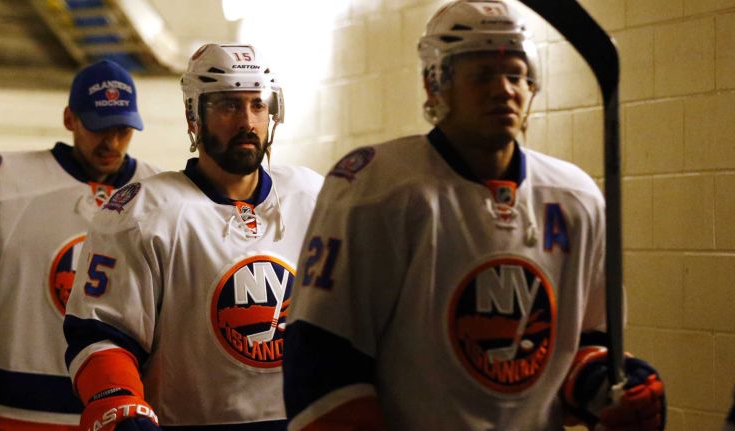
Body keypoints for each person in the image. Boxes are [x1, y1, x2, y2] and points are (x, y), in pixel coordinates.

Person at [283, 1, 666, 430]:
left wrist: (612, 388)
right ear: (435, 84)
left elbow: (583, 344)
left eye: (516, 75)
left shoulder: (575, 196)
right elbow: (320, 362)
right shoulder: (375, 190)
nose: (504, 89)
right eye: (482, 75)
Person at [63, 43, 323, 430]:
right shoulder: (142, 212)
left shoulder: (313, 196)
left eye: (257, 105)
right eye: (228, 106)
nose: (247, 122)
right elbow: (101, 334)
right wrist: (119, 403)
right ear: (193, 115)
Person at [0, 60, 160, 430]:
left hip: (119, 414)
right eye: (98, 127)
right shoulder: (3, 184)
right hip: (6, 412)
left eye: (122, 129)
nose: (111, 142)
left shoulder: (158, 192)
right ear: (70, 119)